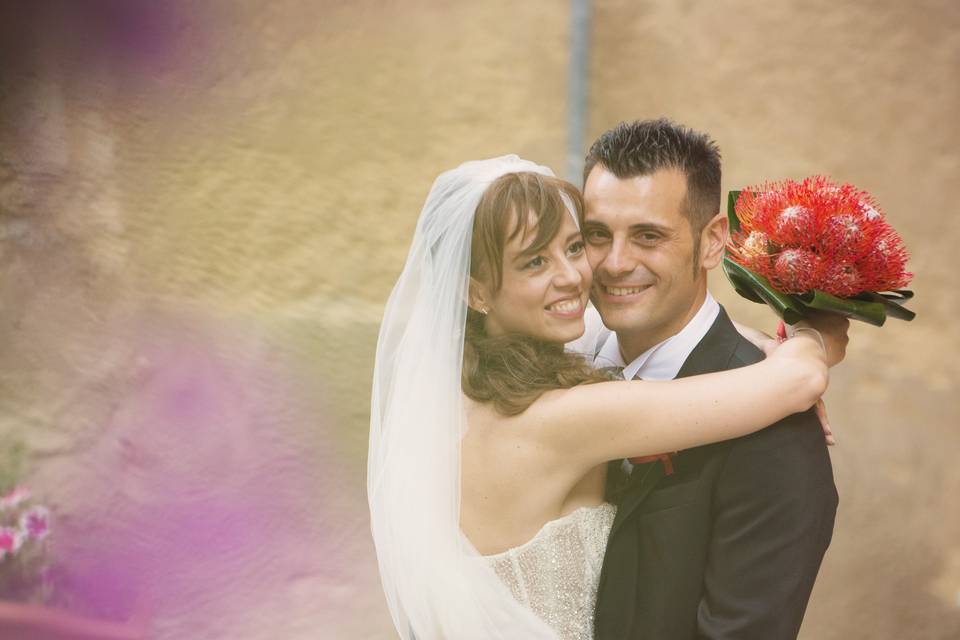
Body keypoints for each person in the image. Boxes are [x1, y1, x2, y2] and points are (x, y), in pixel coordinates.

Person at [367, 155, 845, 640]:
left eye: (574, 247)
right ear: (476, 292)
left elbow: (646, 319)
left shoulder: (469, 384)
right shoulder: (560, 418)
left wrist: (760, 343)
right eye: (534, 261)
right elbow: (799, 381)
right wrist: (815, 335)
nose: (574, 276)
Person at [580, 119, 842, 639]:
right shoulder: (557, 367)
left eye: (648, 236)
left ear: (712, 242)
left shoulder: (776, 431)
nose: (614, 263)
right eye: (595, 235)